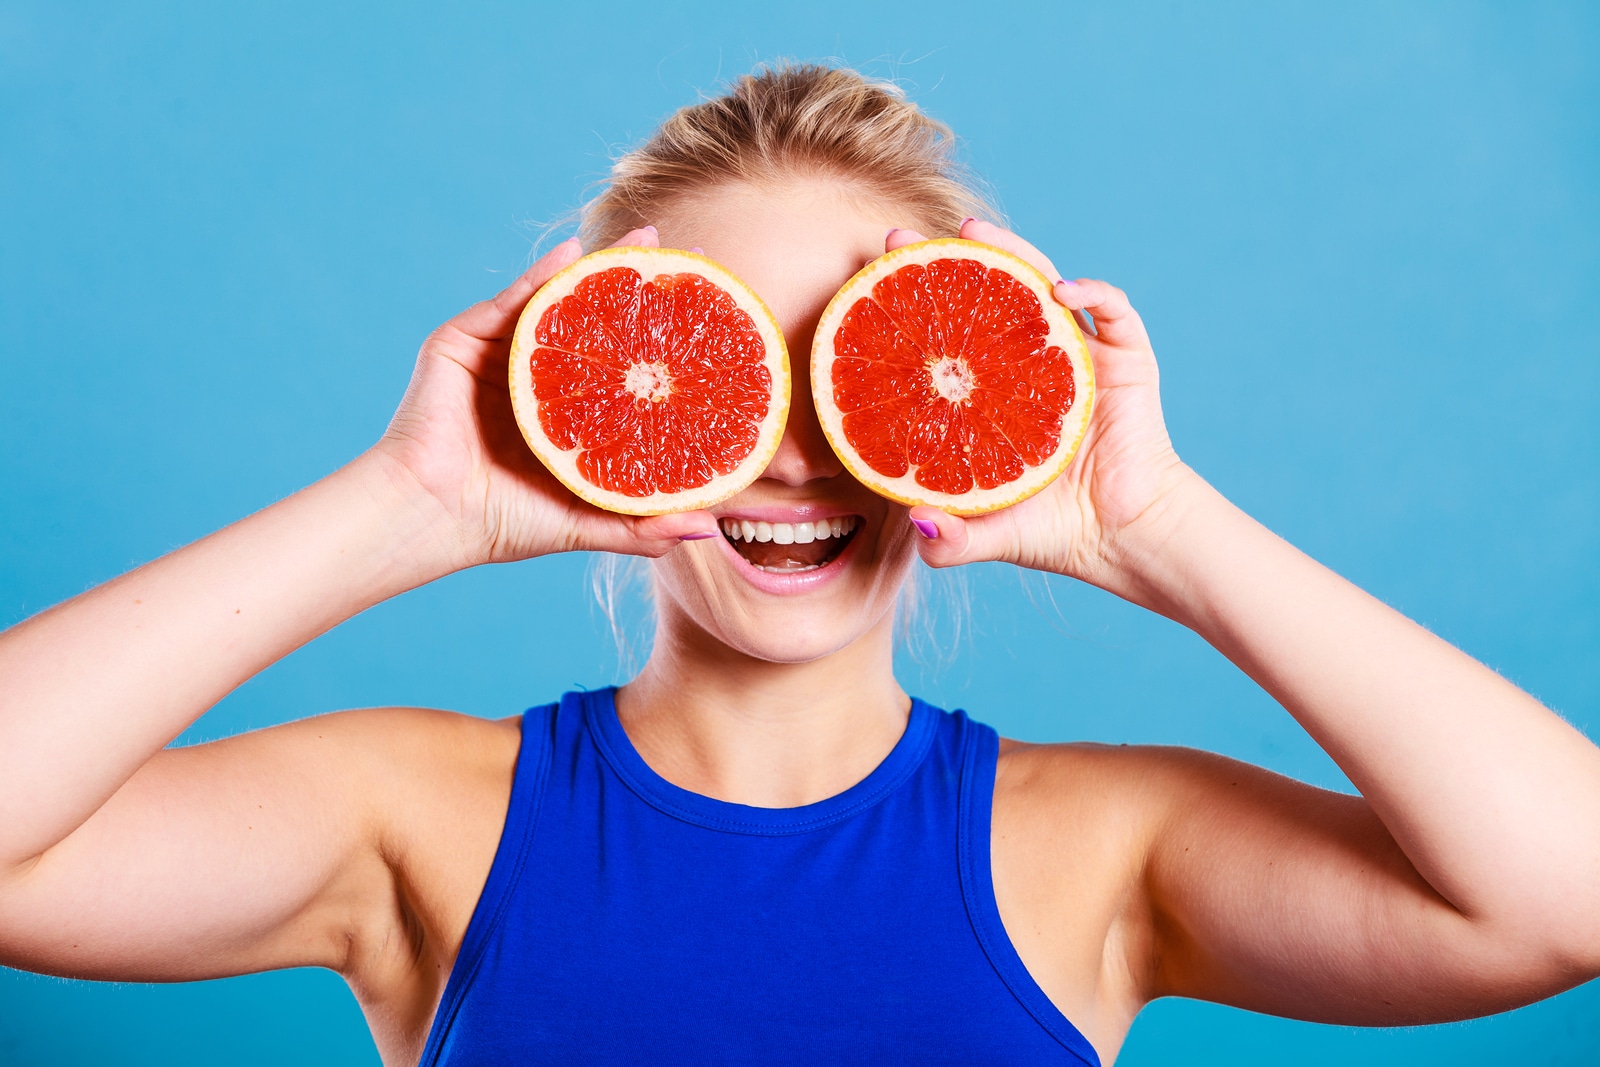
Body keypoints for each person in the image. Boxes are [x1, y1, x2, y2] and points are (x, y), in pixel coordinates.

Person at [1, 63, 1596, 1066]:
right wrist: (410, 504)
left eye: (858, 362)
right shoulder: (414, 817)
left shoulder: (1106, 847)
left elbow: (1563, 900)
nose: (794, 446)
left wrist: (1159, 526)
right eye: (719, 374)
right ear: (595, 410)